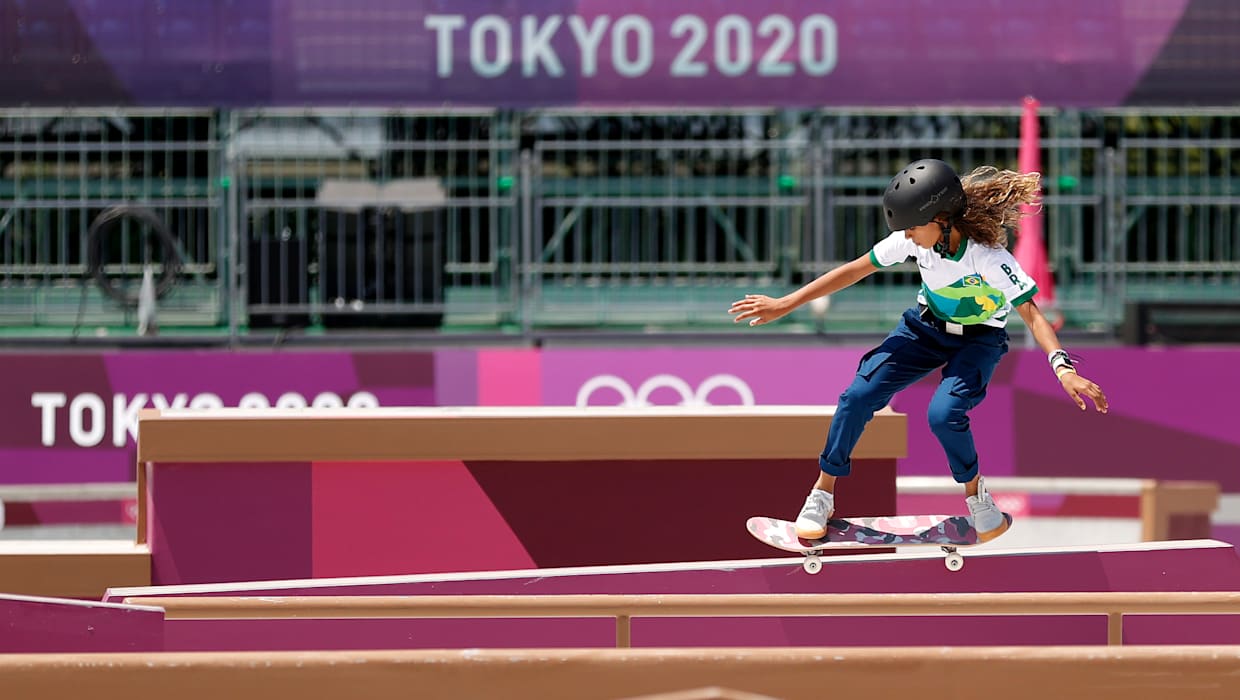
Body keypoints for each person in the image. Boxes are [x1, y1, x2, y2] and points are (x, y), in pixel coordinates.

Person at [728, 158, 1108, 542]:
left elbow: (1032, 314)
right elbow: (854, 270)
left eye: (912, 227)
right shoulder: (912, 240)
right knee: (857, 396)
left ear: (942, 219)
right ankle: (822, 492)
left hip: (978, 341)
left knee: (943, 415)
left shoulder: (989, 259)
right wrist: (785, 303)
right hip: (924, 329)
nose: (907, 237)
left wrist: (1063, 368)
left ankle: (977, 496)